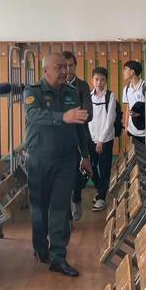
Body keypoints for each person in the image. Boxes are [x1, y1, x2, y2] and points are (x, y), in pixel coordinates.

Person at [24, 52, 92, 277]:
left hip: (66, 160)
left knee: (61, 210)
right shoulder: (32, 92)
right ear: (45, 71)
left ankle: (58, 257)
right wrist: (62, 117)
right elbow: (33, 115)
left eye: (66, 67)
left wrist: (85, 155)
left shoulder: (71, 92)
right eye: (59, 67)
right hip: (39, 160)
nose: (64, 71)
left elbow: (80, 126)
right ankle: (40, 247)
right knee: (39, 209)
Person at [62, 50, 92, 221]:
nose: (67, 69)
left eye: (71, 65)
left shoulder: (82, 86)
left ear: (75, 66)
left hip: (80, 135)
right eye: (64, 66)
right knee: (63, 178)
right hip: (62, 139)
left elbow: (89, 113)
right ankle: (67, 214)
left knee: (78, 175)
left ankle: (76, 198)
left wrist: (71, 117)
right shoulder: (56, 87)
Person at [87, 67, 118, 211]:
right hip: (91, 139)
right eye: (96, 79)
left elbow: (109, 120)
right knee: (91, 167)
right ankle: (101, 190)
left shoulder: (110, 96)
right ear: (92, 80)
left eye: (102, 80)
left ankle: (101, 198)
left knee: (104, 168)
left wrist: (101, 140)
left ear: (106, 81)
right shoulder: (88, 96)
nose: (99, 82)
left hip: (105, 140)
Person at [122, 60, 146, 144]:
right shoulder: (126, 89)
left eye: (125, 69)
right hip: (132, 130)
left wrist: (139, 114)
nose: (123, 72)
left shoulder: (145, 87)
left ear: (132, 72)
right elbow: (127, 108)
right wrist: (126, 126)